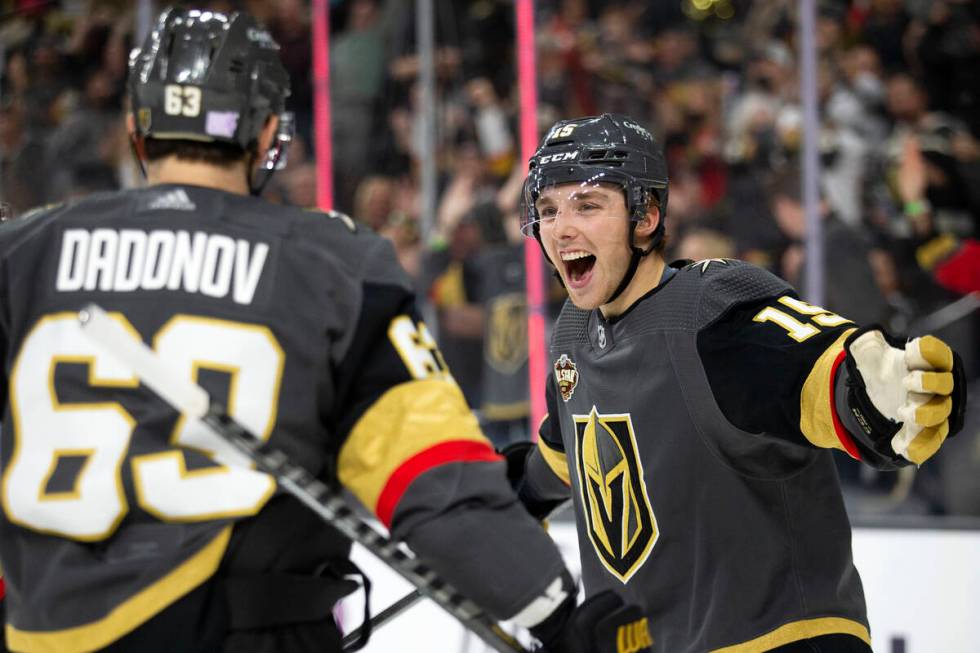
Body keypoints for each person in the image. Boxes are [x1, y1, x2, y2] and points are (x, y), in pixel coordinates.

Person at [0, 11, 650, 653]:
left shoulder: (21, 251)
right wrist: (560, 619)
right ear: (267, 136)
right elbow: (437, 485)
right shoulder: (328, 262)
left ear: (138, 131)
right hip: (248, 631)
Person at [508, 114, 968, 653]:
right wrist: (493, 500)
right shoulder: (574, 338)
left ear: (647, 216)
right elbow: (563, 462)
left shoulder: (714, 314)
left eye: (587, 206)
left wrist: (877, 395)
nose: (561, 228)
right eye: (547, 211)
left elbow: (818, 374)